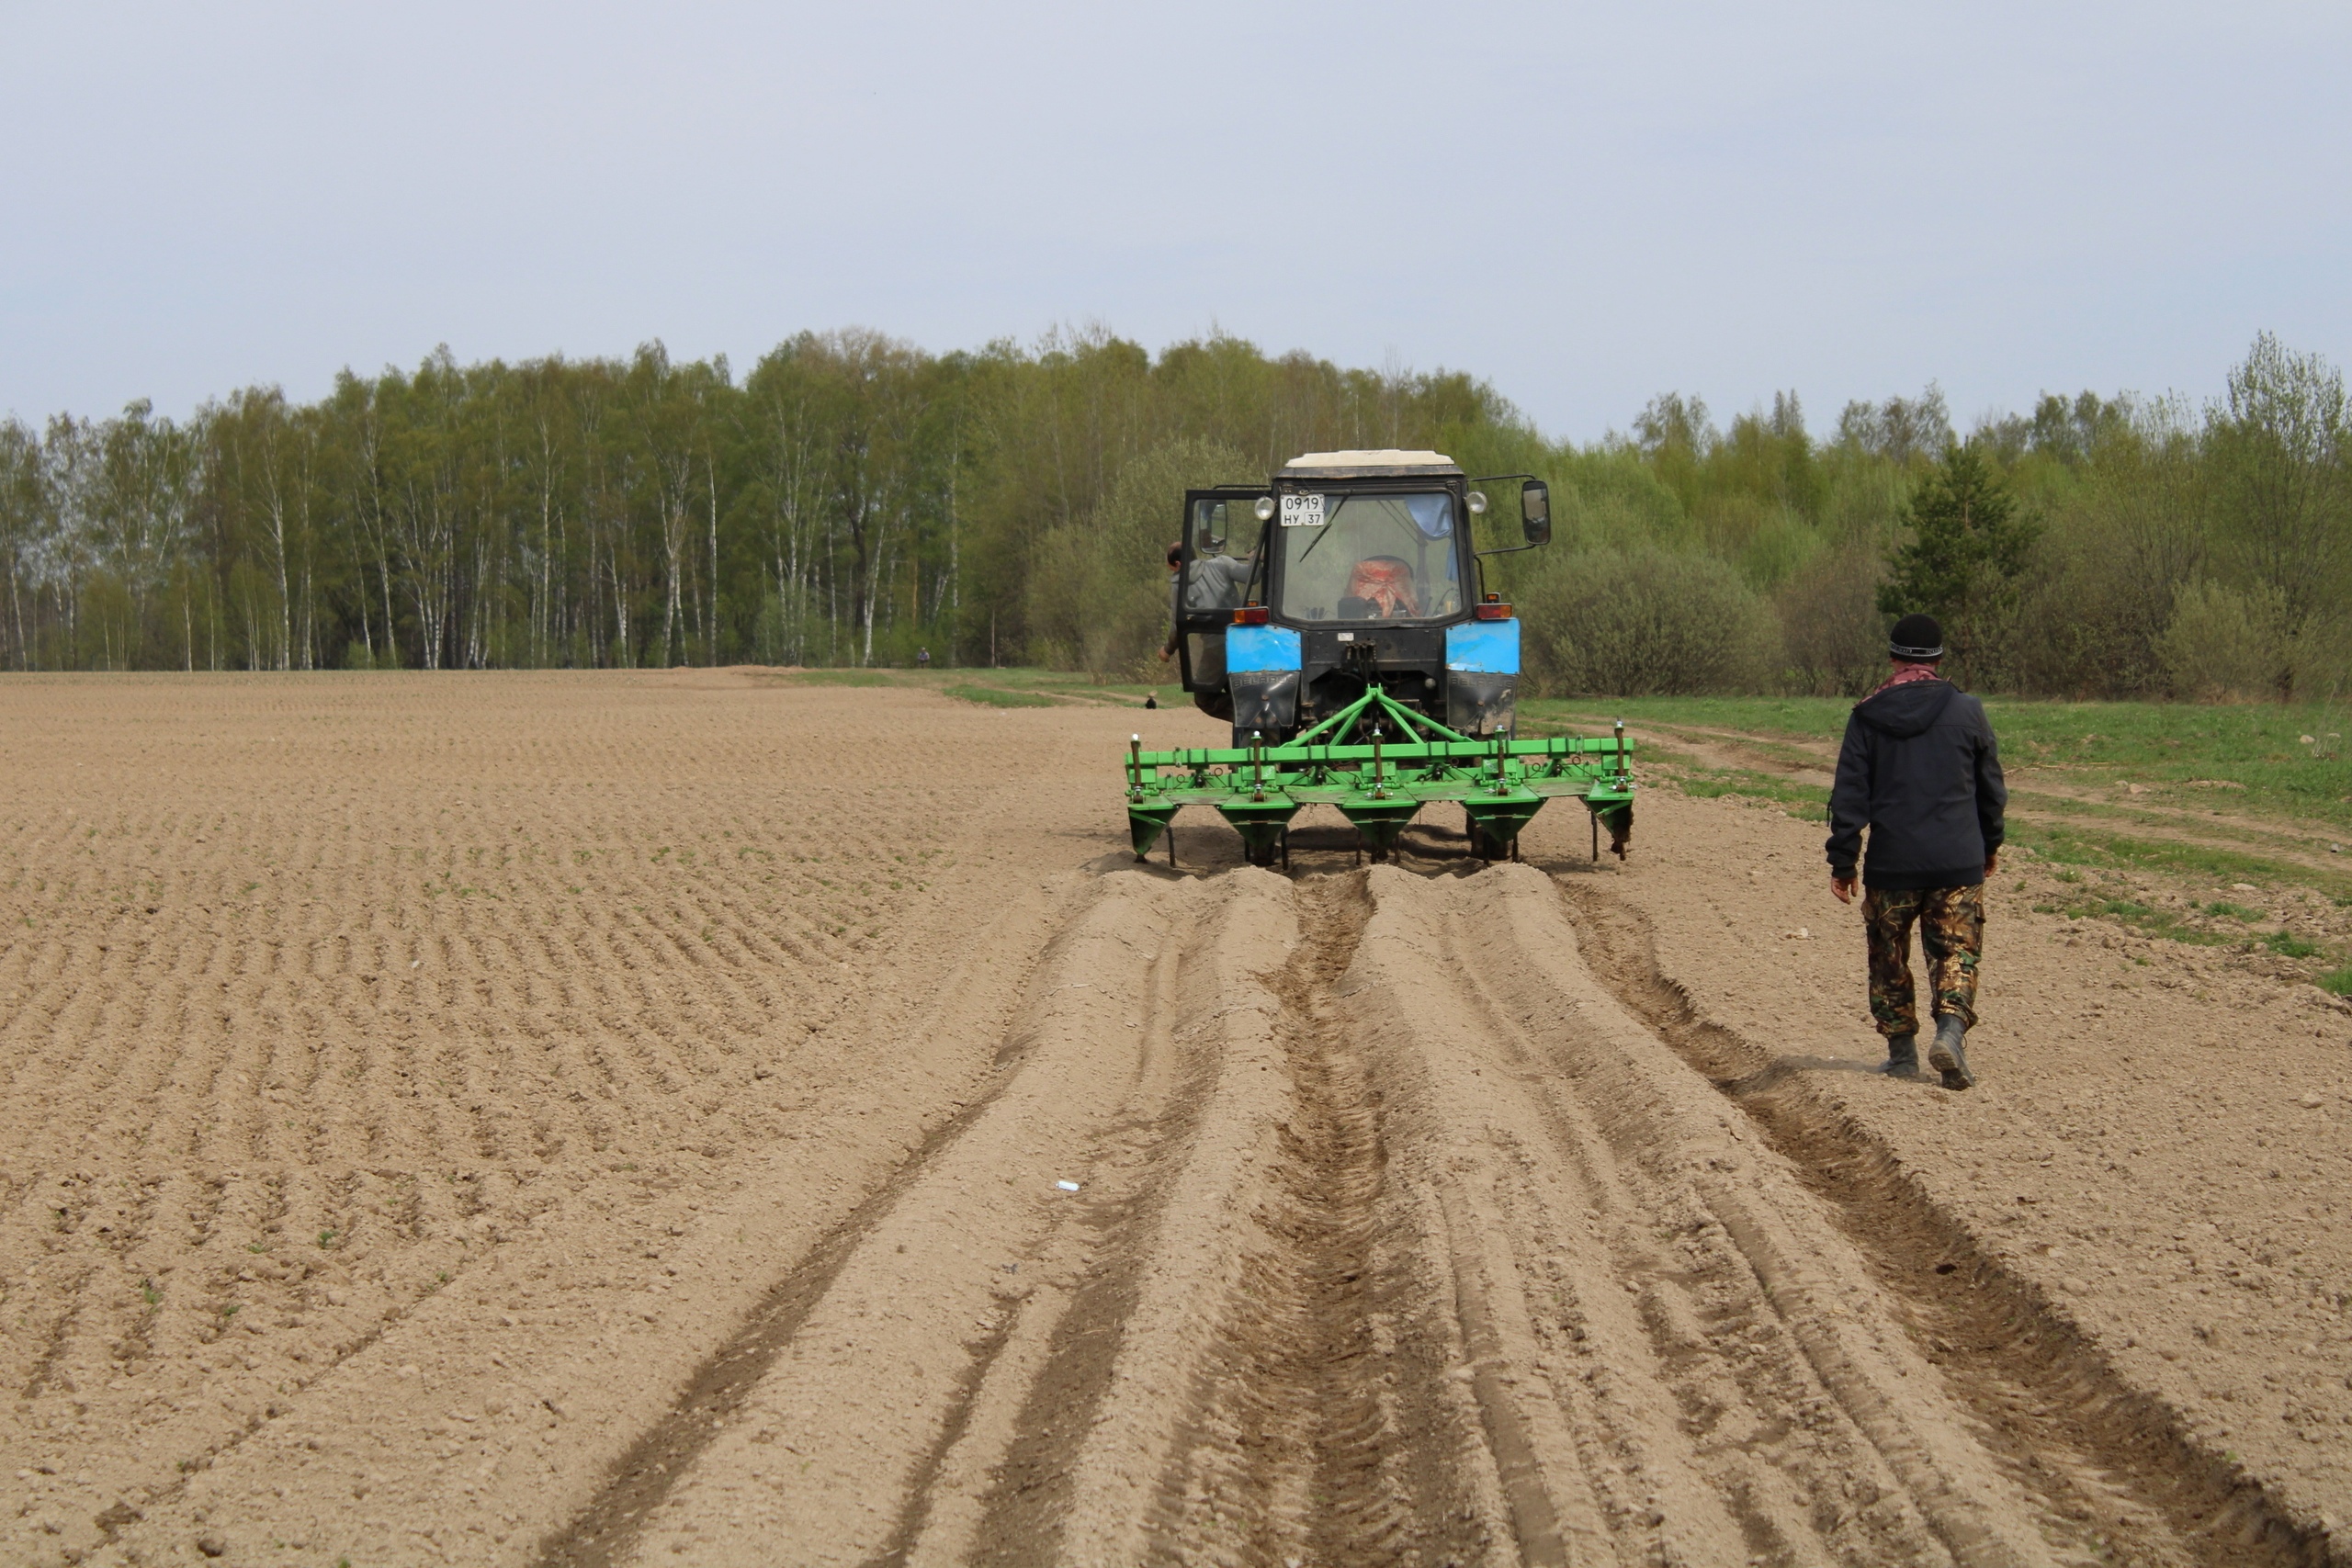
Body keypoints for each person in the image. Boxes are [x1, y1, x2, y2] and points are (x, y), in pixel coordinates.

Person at [1826, 614, 2007, 1089]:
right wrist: (1990, 843)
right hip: (1957, 858)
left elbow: (1849, 796)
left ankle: (1902, 1055)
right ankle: (1949, 1032)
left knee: (1888, 955)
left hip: (1893, 862)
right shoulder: (1968, 710)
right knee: (1956, 951)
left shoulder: (1867, 714)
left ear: (1893, 658)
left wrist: (1844, 861)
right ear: (1940, 659)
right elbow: (1991, 788)